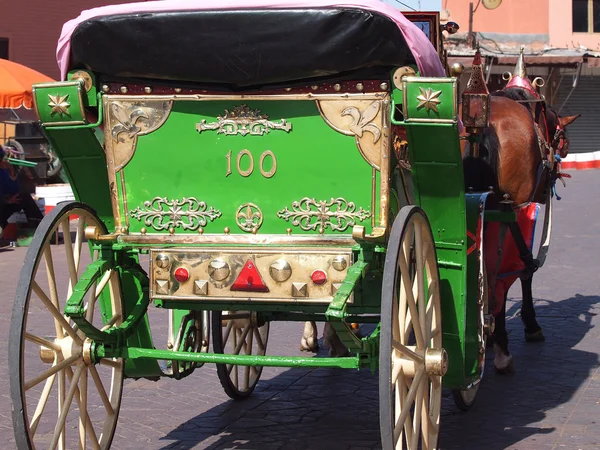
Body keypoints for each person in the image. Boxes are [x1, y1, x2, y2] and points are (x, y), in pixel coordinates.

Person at [0, 146, 43, 238]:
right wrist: (6, 201)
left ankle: (42, 232)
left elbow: (15, 190)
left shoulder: (2, 170)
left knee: (24, 198)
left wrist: (11, 172)